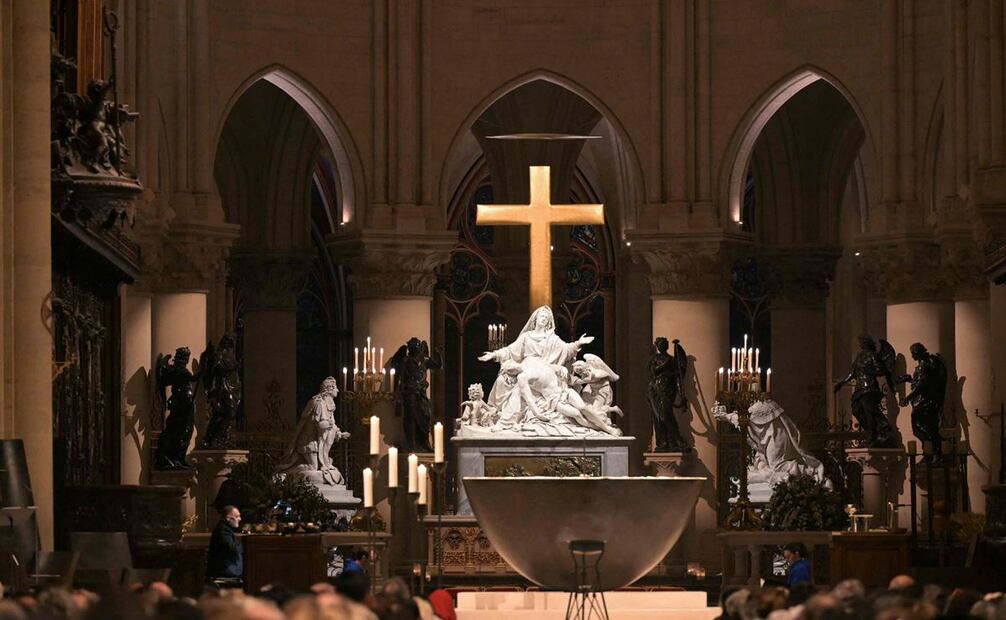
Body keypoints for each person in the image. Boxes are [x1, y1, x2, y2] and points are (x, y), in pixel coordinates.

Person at [206, 505, 243, 583]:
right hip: (224, 570)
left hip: (226, 569)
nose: (240, 519)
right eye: (237, 516)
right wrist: (247, 543)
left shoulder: (224, 528)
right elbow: (233, 549)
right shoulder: (223, 530)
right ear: (228, 518)